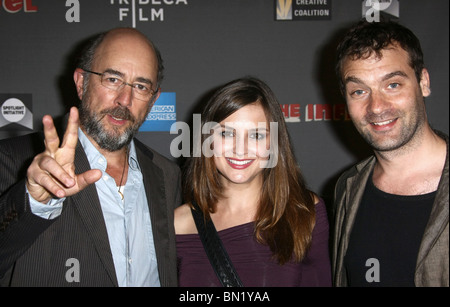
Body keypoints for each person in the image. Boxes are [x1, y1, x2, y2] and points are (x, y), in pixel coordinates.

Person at [0, 28, 181, 287]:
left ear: (153, 100)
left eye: (140, 86)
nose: (124, 99)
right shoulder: (13, 160)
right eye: (112, 79)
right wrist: (34, 202)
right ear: (80, 82)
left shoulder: (167, 174)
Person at [174, 77, 332, 287]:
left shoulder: (304, 212)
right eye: (227, 133)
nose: (240, 149)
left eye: (257, 135)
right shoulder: (178, 223)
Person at [332, 19, 449, 287]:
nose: (376, 106)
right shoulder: (348, 188)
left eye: (393, 85)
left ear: (423, 82)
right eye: (359, 91)